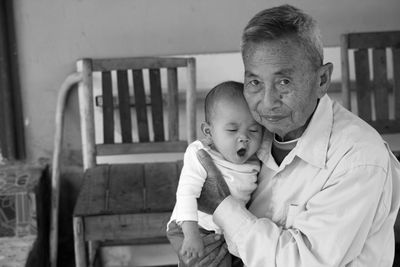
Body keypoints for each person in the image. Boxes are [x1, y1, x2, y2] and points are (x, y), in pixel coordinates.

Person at [167, 4, 400, 267]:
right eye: (255, 82)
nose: (267, 103)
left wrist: (221, 205)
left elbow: (303, 262)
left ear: (322, 80)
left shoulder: (358, 159)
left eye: (284, 82)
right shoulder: (255, 133)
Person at [167, 81, 263, 266]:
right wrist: (191, 234)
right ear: (209, 132)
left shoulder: (256, 160)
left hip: (224, 232)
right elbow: (186, 194)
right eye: (232, 130)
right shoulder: (201, 154)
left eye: (253, 130)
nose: (244, 137)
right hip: (191, 227)